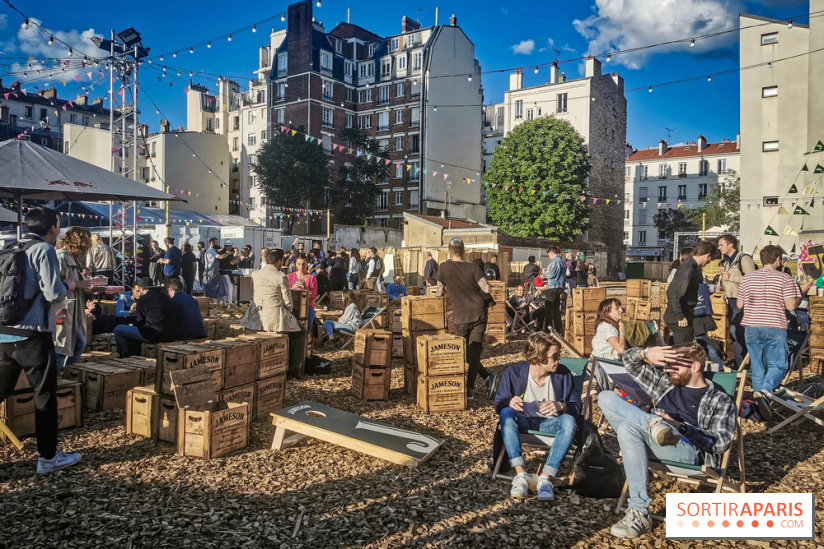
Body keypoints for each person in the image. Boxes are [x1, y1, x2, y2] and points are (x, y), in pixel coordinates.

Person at [600, 344, 736, 539]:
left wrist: (679, 426)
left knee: (627, 428)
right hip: (651, 440)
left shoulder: (719, 400)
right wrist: (646, 352)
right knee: (606, 396)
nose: (669, 369)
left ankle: (639, 510)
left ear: (696, 367)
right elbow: (629, 361)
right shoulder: (664, 384)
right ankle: (653, 424)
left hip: (686, 451)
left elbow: (721, 443)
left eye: (675, 365)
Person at [0, 207, 82, 474]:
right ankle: (48, 458)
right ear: (53, 228)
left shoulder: (10, 247)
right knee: (44, 397)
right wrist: (69, 285)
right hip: (34, 336)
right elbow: (53, 292)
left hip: (4, 335)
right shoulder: (44, 250)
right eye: (58, 225)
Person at [493, 333, 580, 501]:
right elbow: (499, 403)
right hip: (523, 421)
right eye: (554, 356)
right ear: (539, 357)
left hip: (552, 423)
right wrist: (509, 401)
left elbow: (576, 405)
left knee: (569, 420)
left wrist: (561, 405)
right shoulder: (514, 373)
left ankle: (545, 478)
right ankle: (521, 475)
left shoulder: (563, 374)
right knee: (506, 414)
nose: (558, 361)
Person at [736, 245, 802, 421]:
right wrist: (801, 294)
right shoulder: (784, 278)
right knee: (779, 365)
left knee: (757, 367)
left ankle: (760, 408)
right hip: (774, 325)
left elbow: (739, 305)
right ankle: (765, 392)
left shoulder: (747, 278)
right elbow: (790, 306)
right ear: (778, 259)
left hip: (751, 326)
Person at [435, 237, 495, 398]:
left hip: (460, 315)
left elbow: (439, 292)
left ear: (448, 251)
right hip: (478, 312)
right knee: (472, 353)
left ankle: (470, 389)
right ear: (464, 251)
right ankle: (485, 378)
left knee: (463, 353)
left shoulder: (443, 268)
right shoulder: (473, 267)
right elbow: (487, 288)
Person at [252, 249, 306, 377]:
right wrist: (290, 313)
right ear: (280, 261)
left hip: (255, 314)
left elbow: (252, 294)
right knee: (301, 332)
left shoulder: (255, 273)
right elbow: (288, 302)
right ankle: (293, 368)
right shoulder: (281, 276)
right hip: (274, 314)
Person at [54, 227, 95, 372]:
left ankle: (69, 375)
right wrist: (78, 284)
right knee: (61, 348)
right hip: (62, 311)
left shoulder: (72, 258)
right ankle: (59, 379)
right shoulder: (61, 257)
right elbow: (55, 286)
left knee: (78, 343)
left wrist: (83, 285)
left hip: (70, 311)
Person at [663, 241, 718, 344]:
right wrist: (680, 316)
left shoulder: (692, 267)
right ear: (707, 255)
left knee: (681, 349)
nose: (709, 263)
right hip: (680, 318)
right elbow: (672, 293)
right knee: (682, 351)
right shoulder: (688, 268)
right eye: (711, 260)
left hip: (685, 314)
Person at [114, 278, 179, 357]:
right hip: (171, 334)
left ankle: (123, 355)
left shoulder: (143, 299)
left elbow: (139, 321)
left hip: (153, 334)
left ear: (141, 288)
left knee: (118, 329)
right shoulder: (165, 296)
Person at [717, 234, 756, 367]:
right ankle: (740, 363)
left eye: (721, 244)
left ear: (730, 244)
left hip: (743, 302)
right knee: (734, 334)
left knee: (739, 332)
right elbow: (727, 283)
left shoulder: (743, 259)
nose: (719, 247)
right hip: (731, 302)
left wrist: (730, 278)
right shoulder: (727, 262)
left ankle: (748, 362)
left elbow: (752, 279)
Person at [692, 281, 724, 369]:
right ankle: (719, 366)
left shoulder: (686, 280)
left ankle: (720, 366)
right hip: (700, 314)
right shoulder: (698, 279)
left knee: (703, 342)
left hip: (694, 316)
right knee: (703, 341)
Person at [288, 254, 318, 327]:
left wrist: (306, 288)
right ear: (295, 264)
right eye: (299, 264)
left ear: (307, 264)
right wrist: (294, 287)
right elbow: (286, 292)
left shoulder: (312, 278)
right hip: (293, 305)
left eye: (303, 264)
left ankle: (305, 336)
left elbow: (314, 296)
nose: (301, 266)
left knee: (309, 319)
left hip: (307, 305)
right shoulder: (289, 276)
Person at [543, 247, 566, 333]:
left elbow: (551, 274)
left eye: (549, 255)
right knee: (556, 310)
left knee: (548, 310)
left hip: (552, 287)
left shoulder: (554, 262)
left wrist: (544, 274)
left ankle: (548, 329)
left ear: (551, 253)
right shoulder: (562, 262)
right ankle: (558, 328)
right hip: (559, 287)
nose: (549, 257)